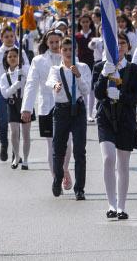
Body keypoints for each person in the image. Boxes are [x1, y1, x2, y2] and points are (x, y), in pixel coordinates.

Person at [94, 33, 137, 220]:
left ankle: (121, 206)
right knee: (108, 158)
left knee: (123, 163)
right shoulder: (100, 66)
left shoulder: (133, 69)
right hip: (105, 117)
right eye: (115, 44)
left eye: (122, 43)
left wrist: (121, 96)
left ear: (128, 47)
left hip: (126, 119)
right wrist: (105, 74)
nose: (119, 47)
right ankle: (111, 204)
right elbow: (98, 93)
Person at [22, 31, 73, 189]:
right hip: (47, 106)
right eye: (51, 42)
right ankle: (56, 178)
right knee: (51, 145)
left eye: (57, 41)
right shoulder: (38, 61)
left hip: (66, 105)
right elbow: (31, 84)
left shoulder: (71, 57)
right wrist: (27, 108)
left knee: (68, 143)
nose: (55, 45)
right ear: (46, 43)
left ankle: (64, 169)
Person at [45, 38, 91, 200]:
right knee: (59, 150)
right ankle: (58, 179)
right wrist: (55, 85)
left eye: (70, 49)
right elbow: (50, 81)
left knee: (80, 150)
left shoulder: (83, 67)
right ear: (60, 51)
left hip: (78, 110)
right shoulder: (55, 69)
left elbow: (86, 90)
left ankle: (79, 188)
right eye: (64, 49)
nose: (67, 52)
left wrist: (78, 76)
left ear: (75, 50)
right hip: (61, 111)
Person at [0, 26, 30, 162]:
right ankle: (4, 145)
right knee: (2, 119)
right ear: (1, 38)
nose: (9, 39)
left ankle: (15, 152)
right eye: (6, 36)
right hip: (2, 89)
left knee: (16, 121)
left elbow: (28, 68)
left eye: (11, 36)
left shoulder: (20, 52)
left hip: (17, 91)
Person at [0, 47, 31, 169]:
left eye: (15, 56)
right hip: (12, 104)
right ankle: (17, 156)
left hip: (25, 103)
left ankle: (26, 159)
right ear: (6, 60)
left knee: (26, 133)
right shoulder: (4, 77)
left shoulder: (24, 70)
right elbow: (5, 93)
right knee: (14, 132)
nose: (12, 58)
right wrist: (16, 84)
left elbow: (30, 85)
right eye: (10, 57)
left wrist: (24, 77)